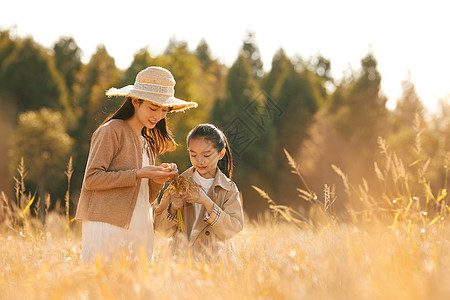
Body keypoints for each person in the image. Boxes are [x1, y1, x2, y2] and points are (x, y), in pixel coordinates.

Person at [75, 66, 198, 264]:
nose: (158, 116)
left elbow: (146, 197)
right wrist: (139, 173)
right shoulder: (110, 131)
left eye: (164, 110)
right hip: (108, 225)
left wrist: (158, 180)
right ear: (135, 101)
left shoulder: (148, 142)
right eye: (153, 107)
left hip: (141, 224)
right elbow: (92, 179)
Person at [154, 123, 244, 261]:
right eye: (193, 155)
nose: (199, 161)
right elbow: (161, 230)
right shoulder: (178, 184)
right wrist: (172, 208)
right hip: (182, 262)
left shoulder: (228, 188)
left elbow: (232, 228)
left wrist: (206, 201)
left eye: (206, 155)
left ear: (221, 154)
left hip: (216, 262)